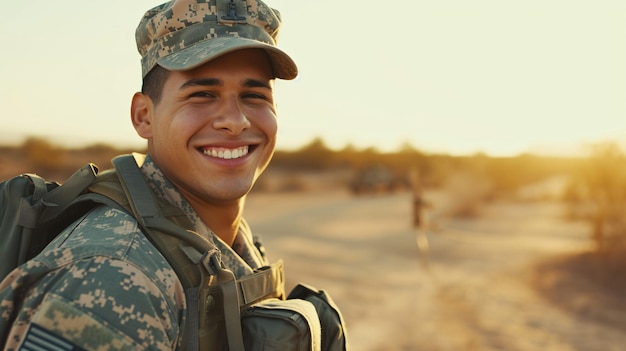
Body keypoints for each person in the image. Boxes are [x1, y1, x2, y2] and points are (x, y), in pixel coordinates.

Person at [0, 0, 341, 349]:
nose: (236, 121)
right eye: (203, 95)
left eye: (254, 95)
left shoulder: (215, 238)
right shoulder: (113, 274)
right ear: (144, 116)